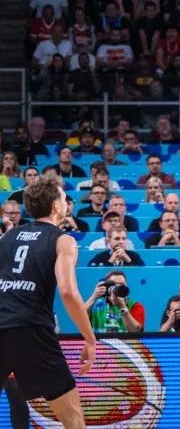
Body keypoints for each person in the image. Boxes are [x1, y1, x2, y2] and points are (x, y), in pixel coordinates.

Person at [0, 177, 97, 429]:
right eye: (64, 199)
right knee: (73, 417)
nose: (66, 203)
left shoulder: (7, 238)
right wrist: (89, 337)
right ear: (56, 206)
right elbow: (67, 291)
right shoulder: (63, 240)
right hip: (31, 329)